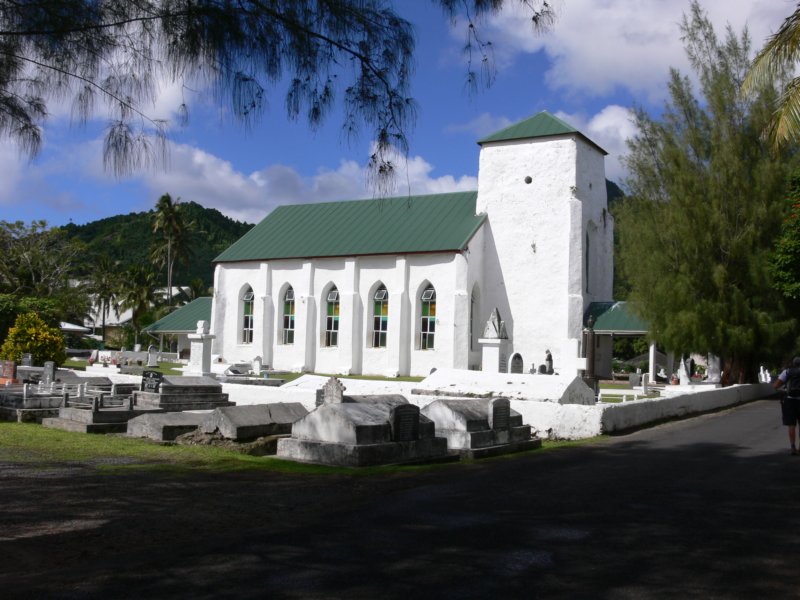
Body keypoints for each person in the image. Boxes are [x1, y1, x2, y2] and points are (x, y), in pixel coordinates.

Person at [773, 357, 800, 455]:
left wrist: (783, 390)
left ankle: (793, 447)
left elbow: (775, 386)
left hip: (790, 401)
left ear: (793, 364)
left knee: (791, 425)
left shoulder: (787, 372)